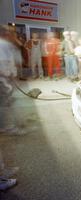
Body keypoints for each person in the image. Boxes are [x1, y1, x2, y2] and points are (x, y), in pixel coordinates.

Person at [0, 25, 20, 191]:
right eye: (8, 32)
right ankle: (1, 178)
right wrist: (9, 76)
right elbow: (3, 66)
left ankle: (2, 171)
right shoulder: (2, 45)